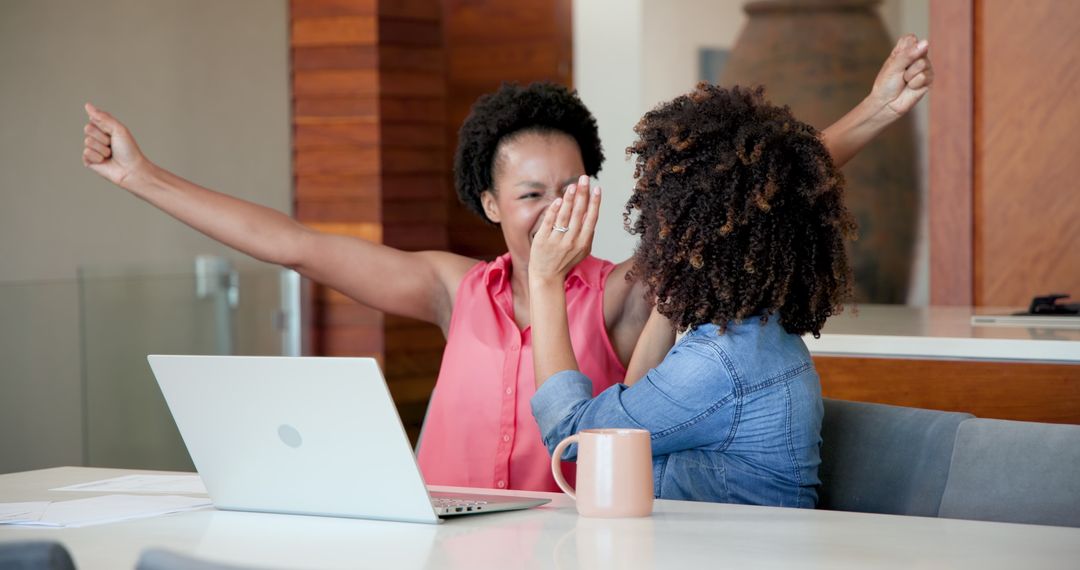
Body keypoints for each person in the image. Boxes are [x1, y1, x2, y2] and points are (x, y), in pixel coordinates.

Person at [80, 35, 933, 493]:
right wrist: (142, 177)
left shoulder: (633, 290)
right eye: (529, 196)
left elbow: (746, 192)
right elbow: (295, 244)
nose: (555, 209)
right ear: (490, 204)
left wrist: (870, 113)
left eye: (572, 189)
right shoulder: (455, 290)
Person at [529, 82, 860, 506]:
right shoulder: (756, 337)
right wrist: (675, 289)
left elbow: (573, 438)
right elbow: (632, 420)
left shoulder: (719, 363)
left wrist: (544, 280)